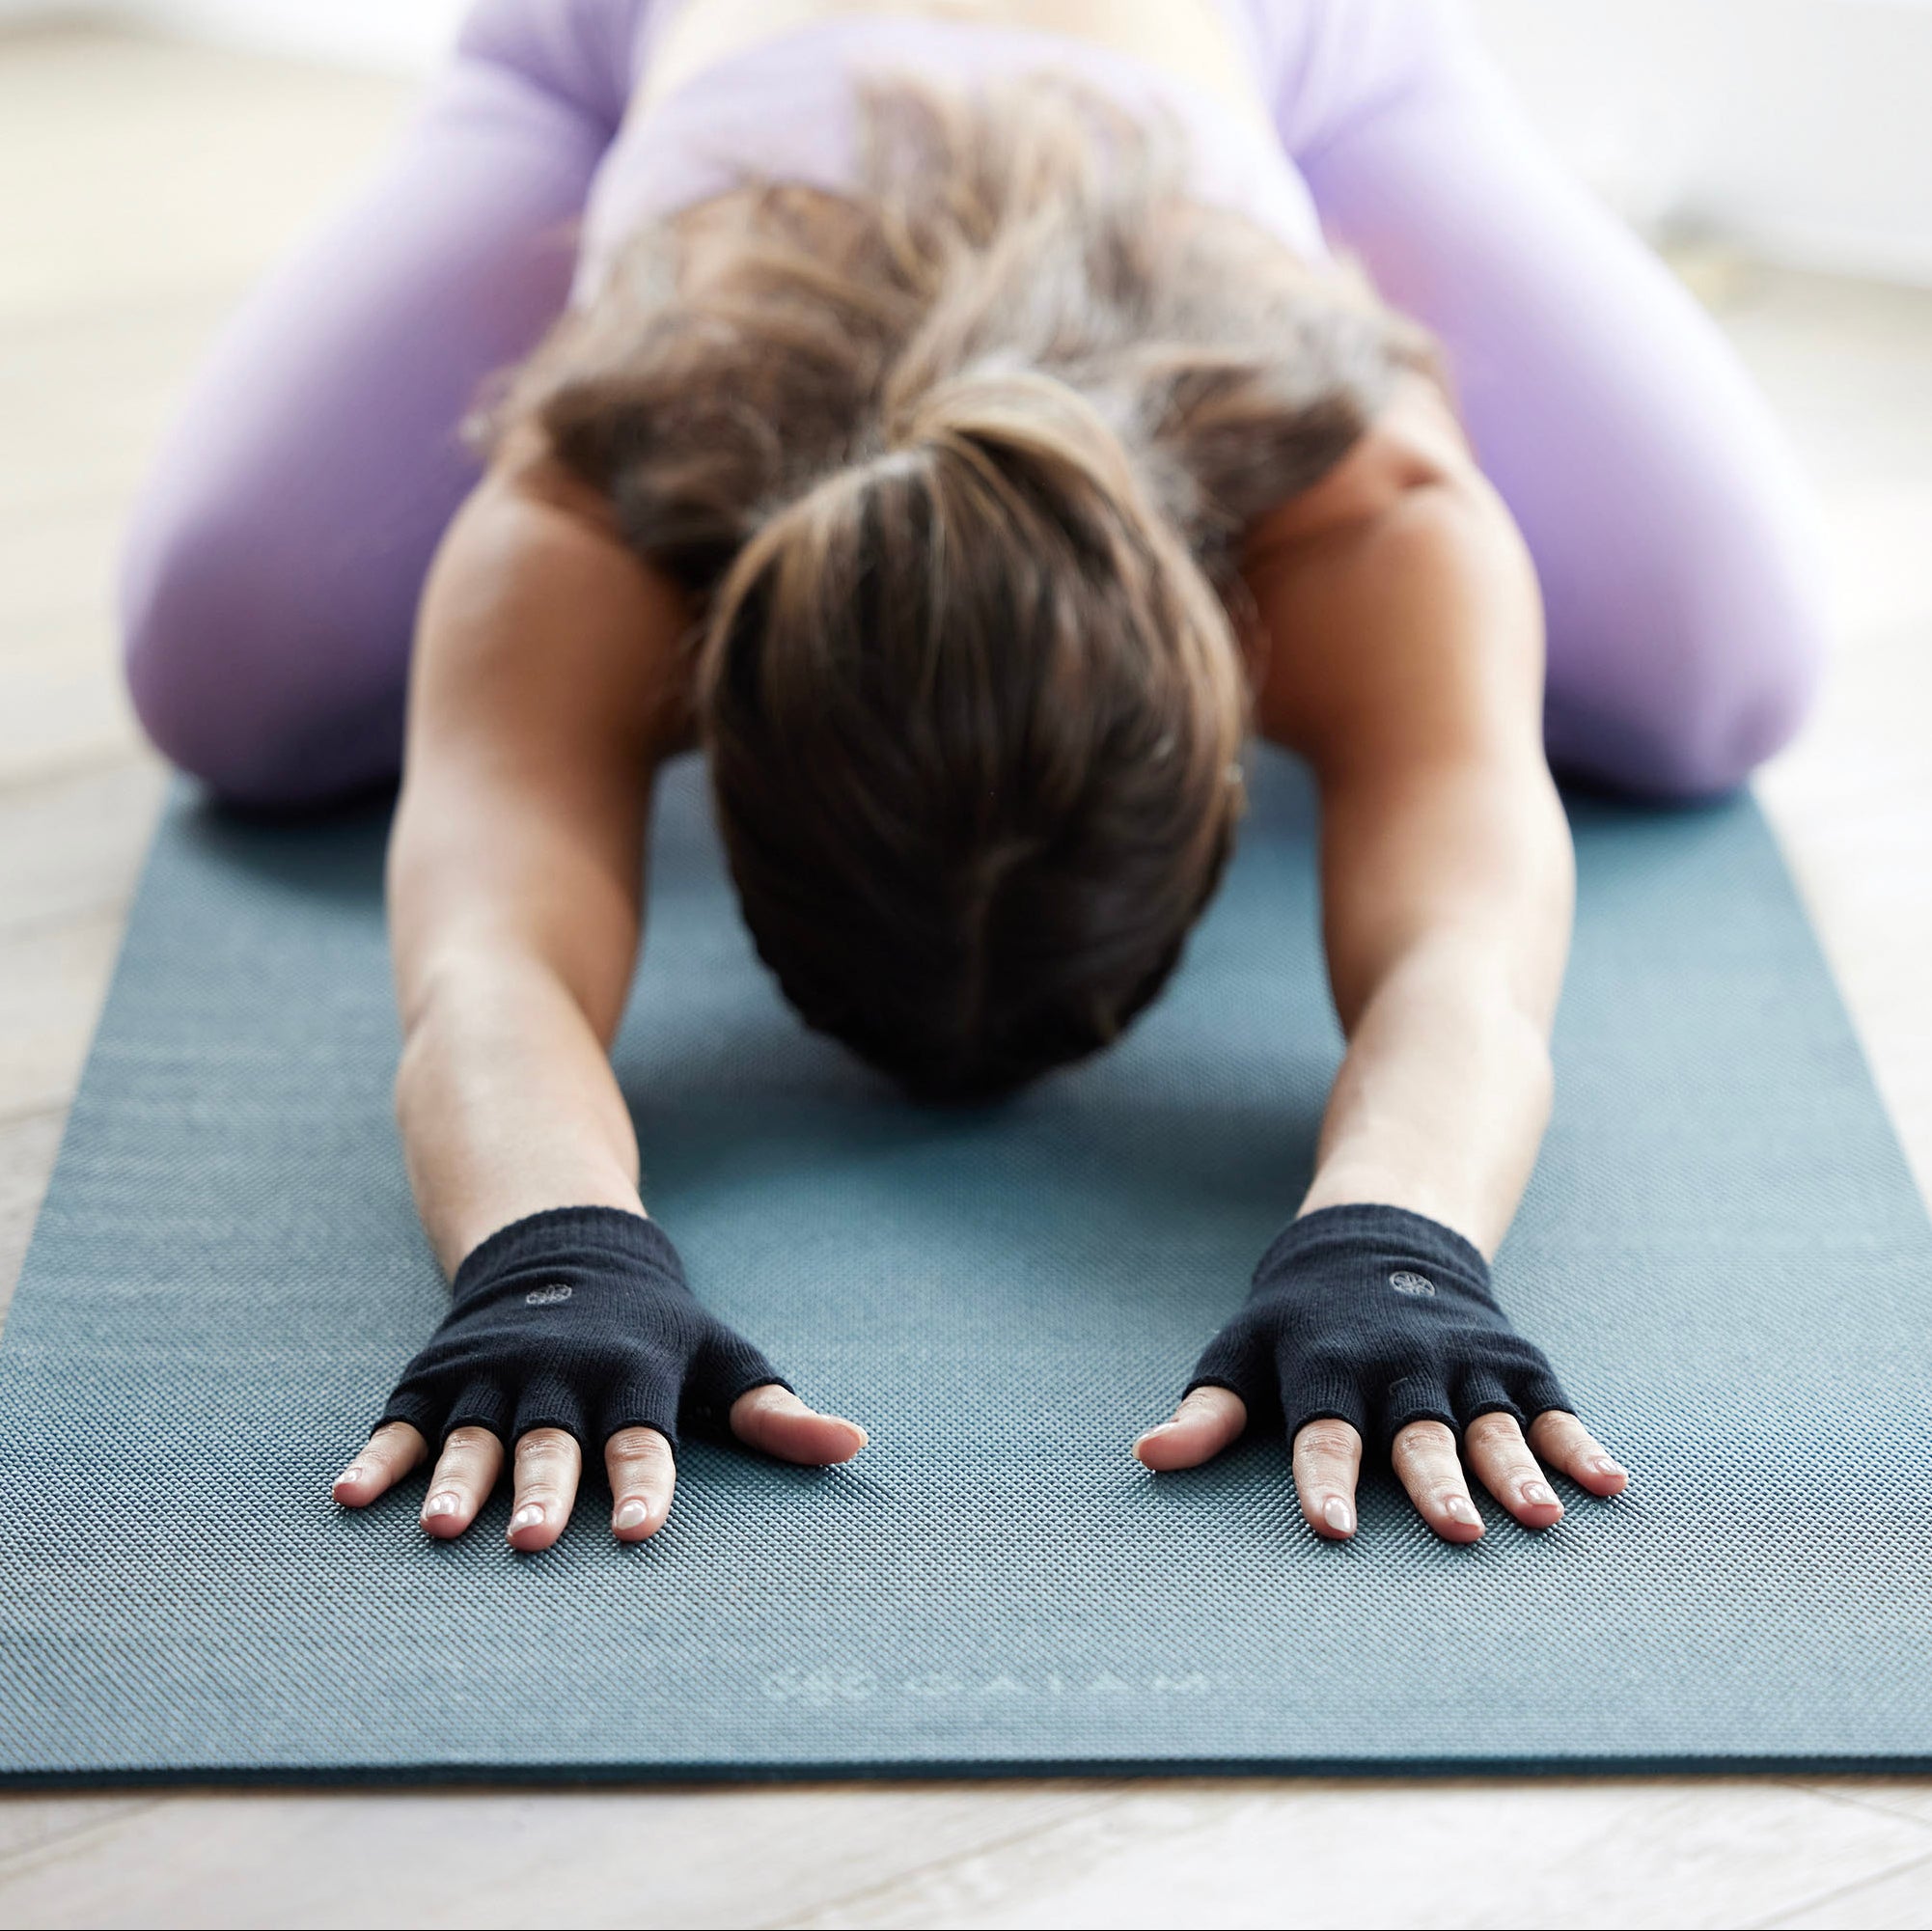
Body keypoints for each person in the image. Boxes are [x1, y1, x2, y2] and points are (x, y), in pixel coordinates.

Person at [118, 0, 1829, 1556]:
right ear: (706, 687)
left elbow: (1467, 948)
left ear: (1231, 678)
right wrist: (548, 1244)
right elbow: (487, 946)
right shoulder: (608, 468)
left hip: (1290, 38)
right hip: (621, 37)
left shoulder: (1351, 484)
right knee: (226, 674)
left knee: (1719, 681)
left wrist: (1400, 1241)